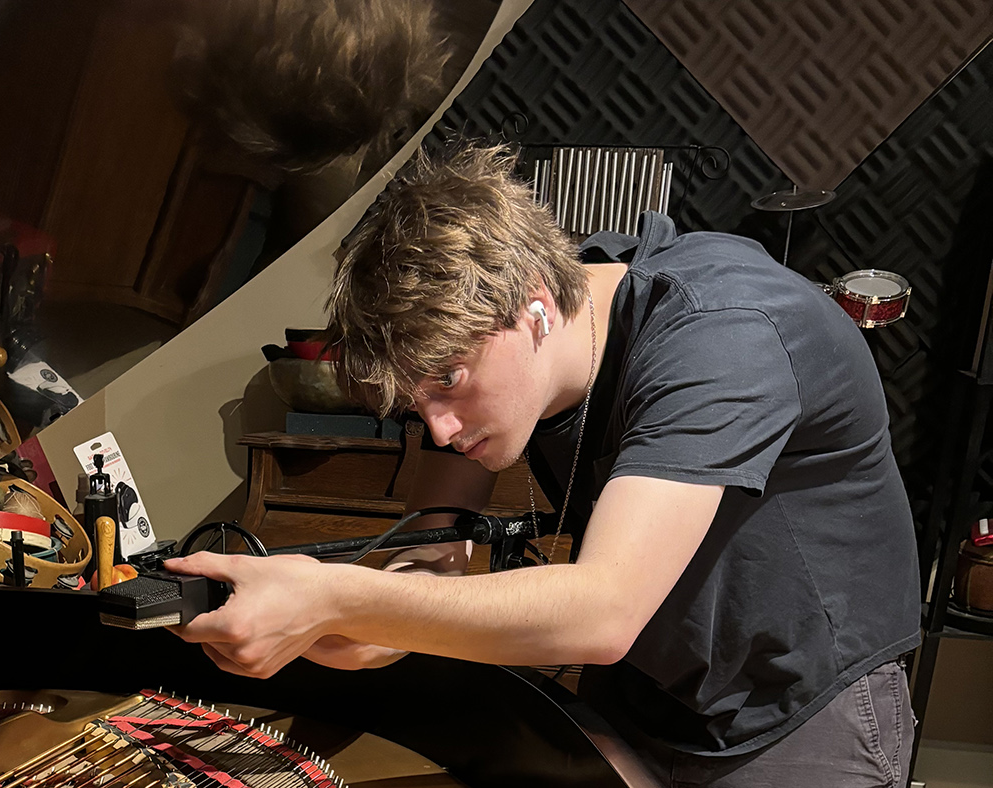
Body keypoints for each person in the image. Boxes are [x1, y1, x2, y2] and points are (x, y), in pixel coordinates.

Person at [164, 145, 921, 787]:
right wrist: (407, 587)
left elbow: (603, 610)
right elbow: (440, 525)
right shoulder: (557, 314)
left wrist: (338, 597)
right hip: (654, 688)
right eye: (413, 402)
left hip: (801, 709)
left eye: (450, 383)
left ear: (533, 309)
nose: (438, 427)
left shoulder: (721, 338)